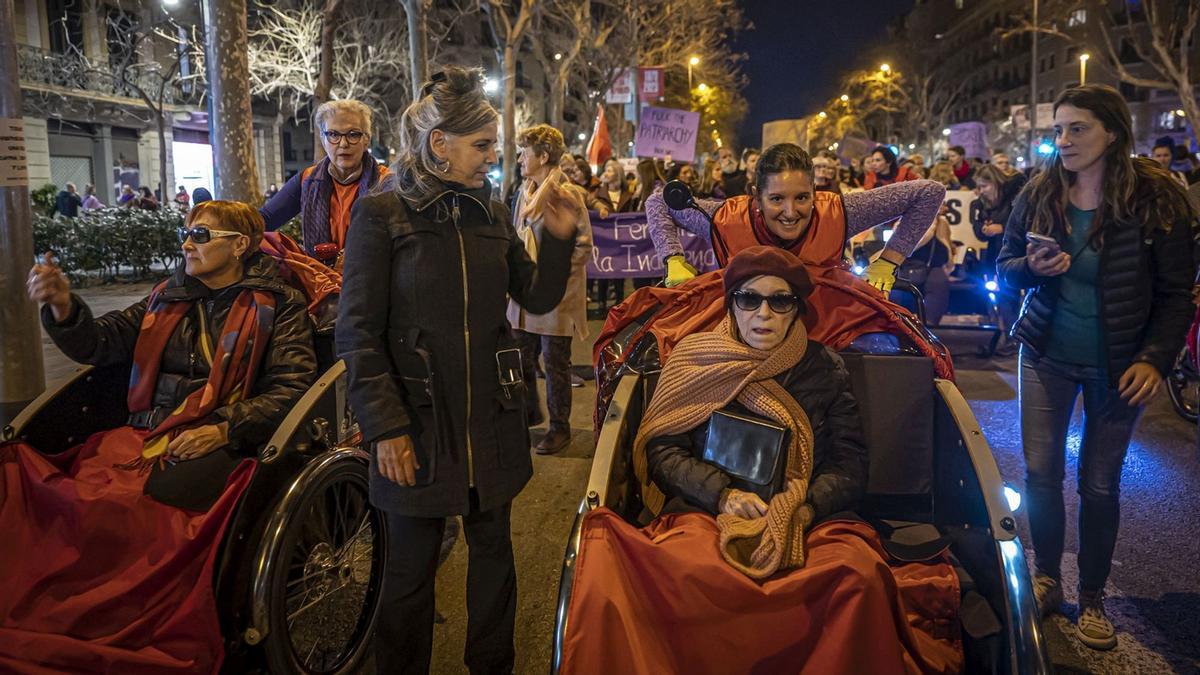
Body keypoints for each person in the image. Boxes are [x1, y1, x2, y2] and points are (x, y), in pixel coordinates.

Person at [556, 246, 962, 673]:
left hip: (809, 518)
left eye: (779, 300)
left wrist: (803, 510)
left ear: (796, 309)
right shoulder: (696, 358)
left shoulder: (825, 368)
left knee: (857, 578)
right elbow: (664, 451)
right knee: (680, 570)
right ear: (732, 303)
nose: (763, 313)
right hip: (707, 512)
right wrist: (722, 496)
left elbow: (848, 464)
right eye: (749, 298)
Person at [335, 66, 580, 674]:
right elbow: (357, 333)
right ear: (439, 144)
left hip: (491, 422)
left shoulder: (491, 214)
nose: (495, 156)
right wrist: (385, 427)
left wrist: (557, 237)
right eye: (483, 145)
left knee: (495, 558)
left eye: (496, 145)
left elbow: (536, 297)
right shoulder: (382, 215)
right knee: (409, 573)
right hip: (416, 426)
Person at [7, 200, 316, 672]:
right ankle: (64, 618)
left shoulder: (278, 306)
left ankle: (127, 626)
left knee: (137, 508)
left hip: (226, 436)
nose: (187, 243)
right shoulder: (166, 297)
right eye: (185, 232)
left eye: (201, 235)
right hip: (144, 435)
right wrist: (64, 307)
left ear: (240, 246)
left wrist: (223, 428)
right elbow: (99, 343)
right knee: (59, 491)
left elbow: (292, 389)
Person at [996, 84, 1195, 651]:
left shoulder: (1158, 197)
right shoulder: (1039, 191)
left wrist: (1155, 359)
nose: (1063, 141)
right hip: (1043, 355)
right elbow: (1005, 265)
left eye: (1076, 128)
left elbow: (1178, 293)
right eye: (1057, 130)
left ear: (1112, 130)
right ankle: (1047, 580)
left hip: (1120, 367)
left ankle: (1092, 598)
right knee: (1039, 474)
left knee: (1100, 485)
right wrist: (1032, 268)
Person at [649, 142, 944, 294]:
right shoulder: (723, 218)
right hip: (743, 330)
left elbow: (929, 192)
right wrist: (672, 258)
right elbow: (656, 201)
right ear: (756, 196)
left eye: (802, 198)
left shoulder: (841, 211)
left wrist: (889, 261)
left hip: (826, 330)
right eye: (777, 199)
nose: (791, 213)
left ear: (814, 192)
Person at [506, 124, 593, 455]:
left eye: (524, 153)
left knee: (556, 364)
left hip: (556, 298)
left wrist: (553, 277)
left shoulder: (565, 194)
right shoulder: (524, 192)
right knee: (520, 358)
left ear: (543, 156)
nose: (518, 159)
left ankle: (560, 428)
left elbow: (583, 246)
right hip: (524, 295)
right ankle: (527, 417)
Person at [260, 99, 390, 257]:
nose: (343, 143)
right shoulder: (307, 179)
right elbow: (262, 221)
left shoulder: (386, 182)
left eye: (353, 134)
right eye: (333, 134)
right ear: (323, 139)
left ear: (366, 139)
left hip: (371, 279)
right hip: (319, 278)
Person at [973, 162, 1027, 353]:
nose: (981, 191)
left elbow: (1022, 223)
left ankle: (1013, 339)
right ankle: (996, 337)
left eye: (984, 186)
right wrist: (984, 229)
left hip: (1013, 255)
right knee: (991, 297)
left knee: (1008, 297)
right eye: (978, 187)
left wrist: (1002, 228)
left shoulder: (1014, 197)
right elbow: (978, 231)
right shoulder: (980, 204)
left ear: (996, 182)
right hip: (992, 257)